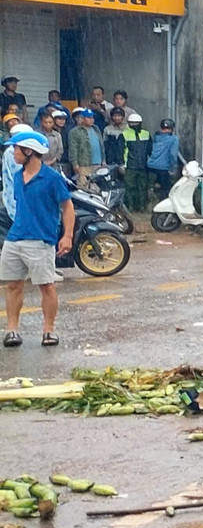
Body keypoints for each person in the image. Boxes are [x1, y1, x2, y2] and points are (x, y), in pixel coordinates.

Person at [1, 129, 74, 348]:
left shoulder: (51, 178)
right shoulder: (17, 175)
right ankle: (12, 330)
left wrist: (67, 236)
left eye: (16, 148)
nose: (13, 152)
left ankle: (48, 331)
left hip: (41, 241)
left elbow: (67, 207)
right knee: (13, 285)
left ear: (29, 151)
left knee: (46, 286)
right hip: (15, 239)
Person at [147, 118, 182, 200]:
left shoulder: (154, 137)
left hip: (151, 166)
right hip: (164, 167)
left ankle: (149, 205)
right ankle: (161, 208)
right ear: (172, 128)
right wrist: (173, 167)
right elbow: (173, 154)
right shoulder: (174, 139)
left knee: (152, 187)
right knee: (165, 190)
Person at [66, 108, 103, 176]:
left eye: (92, 118)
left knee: (97, 185)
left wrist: (103, 160)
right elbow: (73, 148)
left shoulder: (96, 129)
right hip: (83, 164)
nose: (92, 120)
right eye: (89, 118)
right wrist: (75, 163)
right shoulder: (74, 131)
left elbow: (101, 146)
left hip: (98, 163)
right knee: (83, 184)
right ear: (82, 119)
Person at [39, 110, 69, 177]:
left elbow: (60, 150)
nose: (48, 124)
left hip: (54, 164)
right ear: (41, 122)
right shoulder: (38, 135)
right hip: (40, 164)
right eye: (45, 122)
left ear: (53, 123)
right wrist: (42, 162)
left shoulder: (57, 135)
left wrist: (52, 161)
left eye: (50, 122)